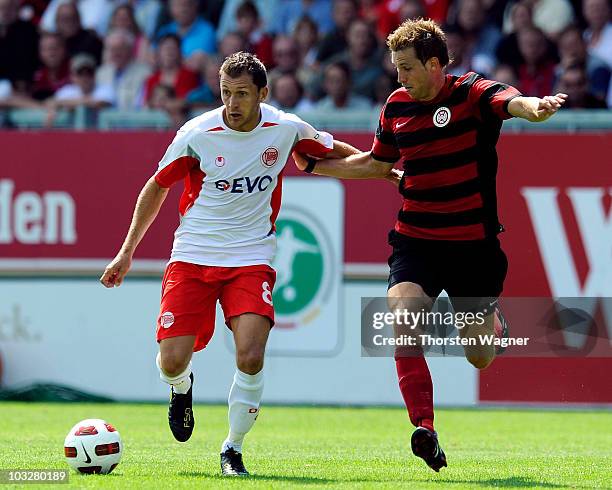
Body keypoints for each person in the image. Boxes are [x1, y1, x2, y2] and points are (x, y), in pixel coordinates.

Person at [293, 18, 566, 472]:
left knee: (478, 356)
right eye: (396, 68)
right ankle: (425, 428)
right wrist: (315, 167)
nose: (399, 77)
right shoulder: (396, 107)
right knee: (402, 322)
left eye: (406, 68)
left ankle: (492, 323)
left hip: (472, 249)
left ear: (435, 64)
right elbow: (377, 165)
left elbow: (512, 101)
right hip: (415, 241)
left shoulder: (471, 92)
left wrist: (535, 107)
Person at [100, 51, 360, 477]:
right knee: (171, 361)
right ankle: (181, 389)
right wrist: (126, 251)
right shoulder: (197, 133)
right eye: (225, 93)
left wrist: (381, 168)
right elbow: (156, 187)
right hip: (193, 256)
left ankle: (232, 448)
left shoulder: (285, 128)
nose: (233, 103)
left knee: (251, 355)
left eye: (242, 94)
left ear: (262, 93)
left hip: (251, 256)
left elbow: (333, 150)